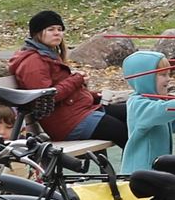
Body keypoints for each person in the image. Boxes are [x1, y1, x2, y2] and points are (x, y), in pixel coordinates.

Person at [9, 11, 131, 143]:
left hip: (80, 112)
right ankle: (137, 164)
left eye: (60, 29)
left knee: (132, 114)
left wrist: (94, 96)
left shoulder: (48, 54)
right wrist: (76, 79)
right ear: (37, 33)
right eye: (51, 30)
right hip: (68, 124)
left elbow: (67, 92)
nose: (57, 33)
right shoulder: (33, 62)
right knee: (122, 132)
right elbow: (46, 97)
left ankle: (145, 162)